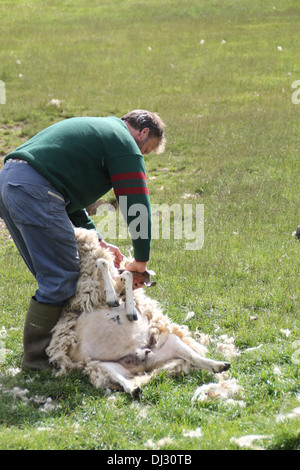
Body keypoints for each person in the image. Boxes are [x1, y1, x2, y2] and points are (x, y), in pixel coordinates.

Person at [0, 109, 166, 369]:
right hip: (35, 190)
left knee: (51, 275)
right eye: (146, 151)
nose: (141, 156)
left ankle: (55, 349)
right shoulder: (124, 142)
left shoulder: (100, 131)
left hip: (12, 181)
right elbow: (136, 205)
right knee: (62, 277)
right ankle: (38, 361)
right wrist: (141, 261)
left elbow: (69, 199)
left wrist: (99, 241)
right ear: (143, 133)